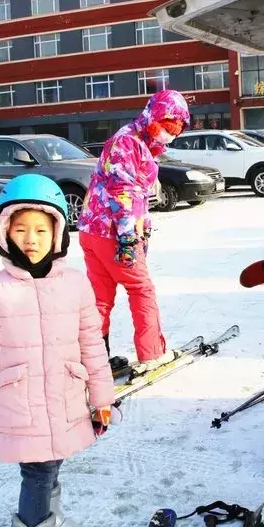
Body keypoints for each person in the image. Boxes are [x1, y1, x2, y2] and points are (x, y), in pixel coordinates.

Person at [0, 174, 115, 527]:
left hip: (64, 398)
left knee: (52, 464)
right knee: (37, 472)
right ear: (4, 232)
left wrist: (102, 398)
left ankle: (51, 521)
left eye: (41, 229)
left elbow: (92, 343)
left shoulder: (75, 283)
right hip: (20, 404)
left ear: (58, 232)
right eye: (20, 228)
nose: (31, 238)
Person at [78, 89, 190, 375]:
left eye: (175, 129)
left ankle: (95, 361)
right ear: (153, 117)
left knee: (100, 297)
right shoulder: (128, 142)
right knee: (141, 289)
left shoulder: (137, 141)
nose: (170, 134)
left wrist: (145, 229)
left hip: (95, 229)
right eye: (167, 126)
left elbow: (137, 194)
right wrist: (129, 237)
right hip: (113, 233)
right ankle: (152, 352)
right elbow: (123, 190)